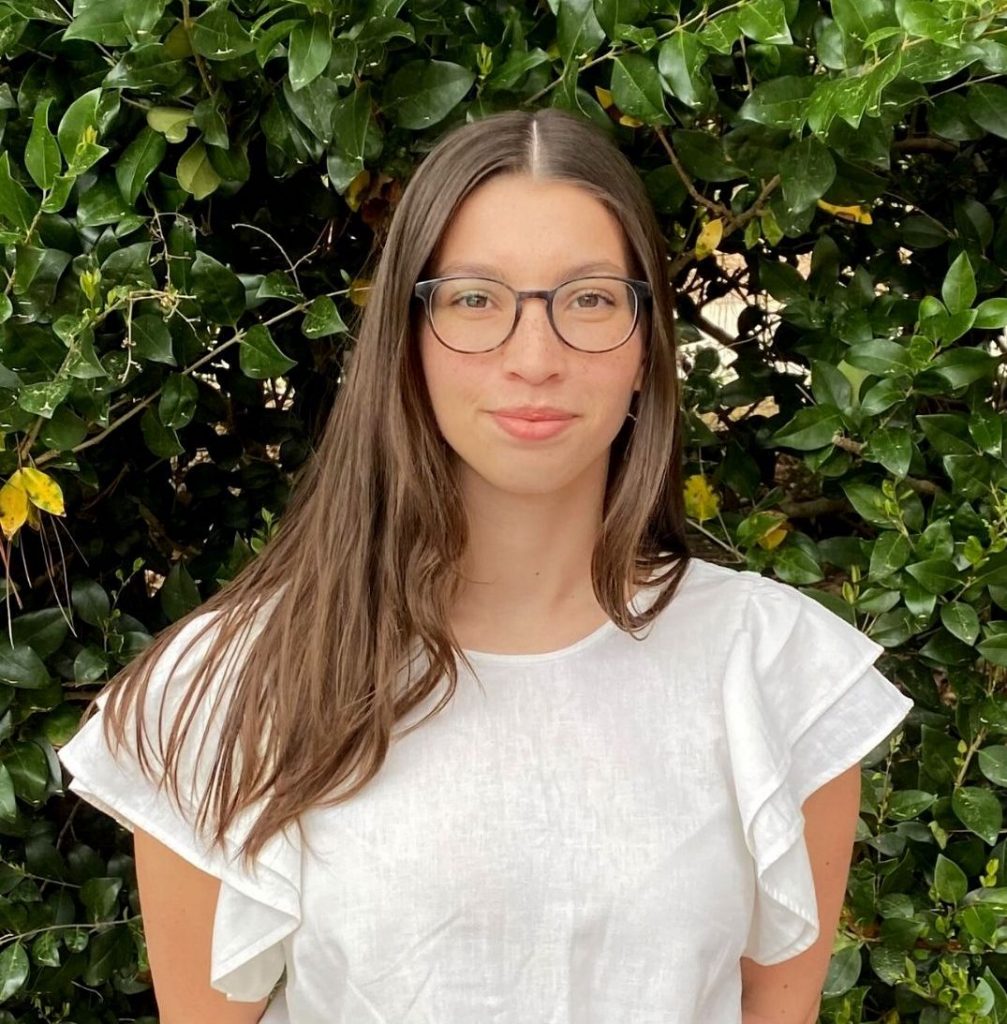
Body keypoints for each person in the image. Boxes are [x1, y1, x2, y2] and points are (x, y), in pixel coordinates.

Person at [56, 107, 914, 1024]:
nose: (534, 359)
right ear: (408, 338)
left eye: (589, 300)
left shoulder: (778, 676)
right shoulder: (226, 689)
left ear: (646, 344)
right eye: (474, 300)